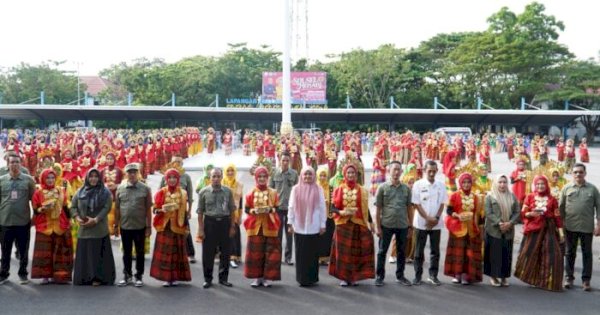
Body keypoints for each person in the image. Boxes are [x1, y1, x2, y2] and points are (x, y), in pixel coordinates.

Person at [514, 175, 564, 292]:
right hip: (534, 230)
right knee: (531, 253)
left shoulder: (552, 199)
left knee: (552, 255)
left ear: (546, 185)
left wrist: (561, 233)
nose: (540, 186)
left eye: (542, 184)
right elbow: (523, 213)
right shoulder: (530, 197)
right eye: (538, 184)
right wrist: (530, 214)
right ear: (534, 186)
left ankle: (547, 282)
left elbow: (557, 217)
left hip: (549, 229)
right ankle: (531, 278)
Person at [329, 164, 375, 287]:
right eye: (348, 173)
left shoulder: (362, 190)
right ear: (344, 174)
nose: (350, 175)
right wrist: (341, 212)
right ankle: (343, 277)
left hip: (357, 225)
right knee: (343, 253)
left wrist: (371, 223)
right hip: (342, 225)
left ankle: (354, 277)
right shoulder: (338, 189)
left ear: (356, 175)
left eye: (353, 173)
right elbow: (332, 208)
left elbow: (365, 208)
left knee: (356, 253)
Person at [71, 168, 116, 286]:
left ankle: (98, 277)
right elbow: (73, 206)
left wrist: (96, 219)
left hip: (99, 228)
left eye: (96, 176)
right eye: (91, 176)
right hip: (84, 227)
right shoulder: (80, 192)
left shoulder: (105, 192)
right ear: (87, 178)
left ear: (99, 178)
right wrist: (77, 217)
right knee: (85, 253)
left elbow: (107, 207)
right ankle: (85, 277)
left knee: (97, 253)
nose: (93, 179)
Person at [559, 163, 600, 291]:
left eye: (580, 172)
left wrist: (599, 225)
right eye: (575, 172)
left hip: (587, 227)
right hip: (570, 227)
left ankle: (586, 280)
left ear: (585, 173)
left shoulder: (592, 189)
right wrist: (561, 226)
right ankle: (568, 278)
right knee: (569, 253)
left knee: (587, 254)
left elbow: (599, 208)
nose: (578, 174)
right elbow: (561, 209)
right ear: (572, 174)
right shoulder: (566, 188)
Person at [150, 168, 192, 287]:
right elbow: (155, 210)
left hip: (178, 226)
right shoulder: (161, 192)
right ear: (166, 179)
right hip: (165, 227)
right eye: (170, 178)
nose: (172, 180)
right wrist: (161, 210)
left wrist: (186, 228)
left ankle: (176, 277)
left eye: (174, 178)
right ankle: (166, 278)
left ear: (178, 179)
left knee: (176, 253)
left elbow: (184, 212)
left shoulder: (183, 193)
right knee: (165, 253)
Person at [31, 169, 72, 284]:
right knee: (45, 252)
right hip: (44, 227)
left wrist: (70, 220)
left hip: (60, 225)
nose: (50, 180)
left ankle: (59, 275)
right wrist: (42, 209)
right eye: (47, 178)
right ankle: (45, 275)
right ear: (43, 179)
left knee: (60, 252)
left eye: (52, 178)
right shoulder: (38, 193)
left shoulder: (61, 191)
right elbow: (35, 210)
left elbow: (65, 207)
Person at [197, 168, 237, 289]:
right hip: (210, 223)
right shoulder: (203, 192)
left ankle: (223, 278)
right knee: (208, 253)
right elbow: (200, 212)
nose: (216, 179)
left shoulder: (228, 191)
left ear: (221, 177)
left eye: (218, 176)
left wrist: (232, 226)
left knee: (225, 252)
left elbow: (232, 210)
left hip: (224, 223)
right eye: (213, 176)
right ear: (210, 178)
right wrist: (201, 229)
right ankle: (208, 279)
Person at [374, 161, 412, 286]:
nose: (396, 172)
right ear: (389, 171)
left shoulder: (406, 189)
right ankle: (379, 276)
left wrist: (410, 226)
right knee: (382, 251)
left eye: (398, 170)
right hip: (386, 224)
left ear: (401, 172)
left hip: (402, 225)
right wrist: (378, 227)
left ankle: (400, 276)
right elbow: (378, 209)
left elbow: (409, 208)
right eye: (394, 169)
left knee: (401, 252)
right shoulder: (383, 187)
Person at [0, 154, 36, 285]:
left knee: (23, 250)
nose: (14, 164)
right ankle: (3, 273)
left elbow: (35, 201)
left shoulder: (28, 180)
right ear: (8, 164)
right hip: (5, 221)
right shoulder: (2, 180)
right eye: (12, 162)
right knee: (5, 250)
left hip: (23, 221)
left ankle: (23, 273)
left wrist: (35, 218)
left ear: (21, 164)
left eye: (17, 162)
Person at [115, 163, 152, 287]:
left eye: (134, 172)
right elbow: (117, 208)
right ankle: (127, 275)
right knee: (126, 252)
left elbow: (148, 209)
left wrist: (149, 226)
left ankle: (139, 276)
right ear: (126, 174)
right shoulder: (120, 188)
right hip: (125, 226)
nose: (132, 174)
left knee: (140, 252)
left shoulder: (145, 189)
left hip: (140, 226)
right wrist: (116, 225)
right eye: (129, 172)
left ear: (138, 173)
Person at [287, 167, 327, 286]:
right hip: (299, 227)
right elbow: (291, 207)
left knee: (313, 255)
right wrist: (290, 223)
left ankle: (312, 278)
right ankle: (302, 279)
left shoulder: (318, 189)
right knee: (300, 254)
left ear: (314, 176)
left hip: (313, 227)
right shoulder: (295, 189)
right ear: (301, 176)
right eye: (305, 174)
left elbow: (322, 208)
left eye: (310, 174)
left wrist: (322, 224)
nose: (308, 177)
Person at [243, 166, 281, 287]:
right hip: (255, 227)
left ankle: (266, 278)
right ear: (256, 178)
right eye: (259, 176)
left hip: (270, 226)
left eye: (264, 176)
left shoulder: (273, 192)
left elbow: (277, 208)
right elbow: (247, 209)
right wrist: (254, 211)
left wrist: (270, 209)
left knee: (269, 253)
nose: (262, 179)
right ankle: (257, 277)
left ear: (268, 178)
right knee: (255, 254)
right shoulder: (251, 193)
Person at [412, 160, 447, 286]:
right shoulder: (418, 185)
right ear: (424, 171)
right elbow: (416, 204)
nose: (432, 173)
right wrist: (427, 218)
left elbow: (442, 203)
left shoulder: (441, 185)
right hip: (421, 223)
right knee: (419, 251)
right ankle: (417, 276)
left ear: (437, 171)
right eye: (429, 171)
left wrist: (436, 219)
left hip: (436, 224)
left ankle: (433, 275)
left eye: (434, 171)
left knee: (435, 251)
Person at [443, 173, 483, 285]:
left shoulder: (476, 197)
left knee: (469, 253)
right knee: (458, 252)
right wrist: (457, 215)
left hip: (471, 229)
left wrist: (479, 228)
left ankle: (467, 275)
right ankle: (457, 275)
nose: (466, 184)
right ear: (460, 183)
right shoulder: (454, 195)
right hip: (457, 228)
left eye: (468, 182)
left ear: (471, 183)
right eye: (464, 182)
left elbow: (478, 214)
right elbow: (449, 211)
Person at [483, 174, 520, 287]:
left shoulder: (512, 196)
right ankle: (494, 277)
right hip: (494, 230)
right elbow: (488, 213)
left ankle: (504, 277)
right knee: (494, 254)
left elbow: (517, 212)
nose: (502, 184)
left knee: (506, 253)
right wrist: (499, 223)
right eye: (500, 182)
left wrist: (510, 223)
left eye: (504, 182)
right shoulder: (490, 196)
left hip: (508, 230)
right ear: (496, 183)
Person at [162, 156, 196, 264]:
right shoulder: (165, 176)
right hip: (168, 210)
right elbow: (160, 193)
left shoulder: (186, 177)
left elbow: (190, 195)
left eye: (179, 162)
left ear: (182, 164)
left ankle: (190, 254)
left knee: (185, 231)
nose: (177, 164)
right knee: (169, 232)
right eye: (175, 162)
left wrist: (189, 210)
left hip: (182, 210)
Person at [269, 152, 298, 265]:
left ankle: (288, 257)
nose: (285, 163)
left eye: (287, 160)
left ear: (290, 161)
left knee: (290, 233)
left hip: (291, 208)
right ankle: (277, 256)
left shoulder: (294, 174)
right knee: (277, 234)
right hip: (278, 207)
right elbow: (270, 190)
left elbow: (297, 191)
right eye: (283, 160)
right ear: (279, 161)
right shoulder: (274, 173)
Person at [221, 164, 244, 268]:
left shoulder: (239, 185)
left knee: (234, 236)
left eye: (232, 171)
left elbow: (241, 202)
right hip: (223, 215)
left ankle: (233, 257)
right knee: (223, 237)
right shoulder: (221, 184)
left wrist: (240, 216)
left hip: (234, 215)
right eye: (228, 171)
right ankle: (225, 257)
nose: (230, 173)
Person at [316, 166, 334, 265]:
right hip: (318, 217)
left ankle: (326, 258)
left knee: (327, 238)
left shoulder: (330, 188)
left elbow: (334, 201)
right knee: (318, 238)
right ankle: (318, 257)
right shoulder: (315, 187)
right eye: (321, 175)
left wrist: (328, 202)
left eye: (324, 175)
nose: (322, 178)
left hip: (329, 216)